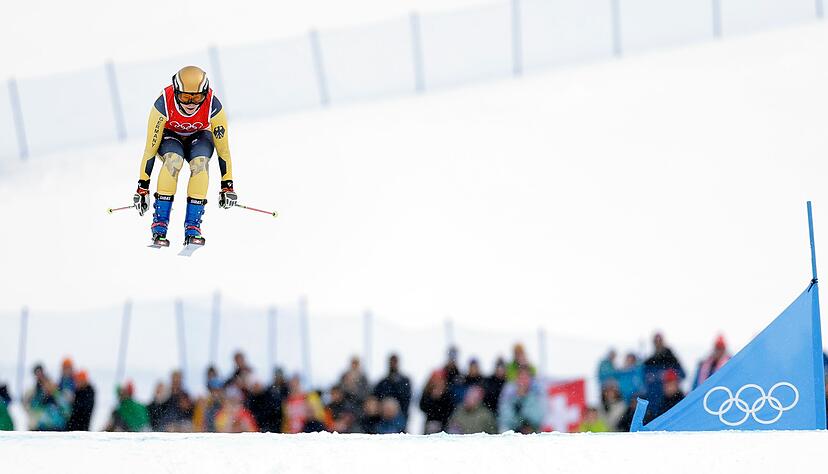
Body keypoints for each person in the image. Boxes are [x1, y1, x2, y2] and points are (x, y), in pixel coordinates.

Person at [132, 65, 237, 247]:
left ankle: (193, 227)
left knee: (200, 163)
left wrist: (227, 186)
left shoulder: (213, 105)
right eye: (185, 97)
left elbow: (223, 150)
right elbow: (150, 148)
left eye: (197, 97)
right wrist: (142, 187)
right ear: (176, 92)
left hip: (199, 136)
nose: (191, 103)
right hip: (169, 136)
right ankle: (160, 224)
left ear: (205, 93)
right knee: (173, 160)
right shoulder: (163, 103)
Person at [25, 364, 71, 431]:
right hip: (42, 428)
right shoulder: (38, 396)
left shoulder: (58, 396)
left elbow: (66, 410)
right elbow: (33, 409)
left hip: (58, 428)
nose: (47, 387)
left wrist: (55, 394)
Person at [373, 354, 412, 425]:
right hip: (382, 418)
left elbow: (406, 399)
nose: (393, 364)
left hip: (399, 417)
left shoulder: (404, 381)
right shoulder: (383, 382)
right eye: (392, 362)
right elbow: (376, 396)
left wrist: (394, 406)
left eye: (395, 362)